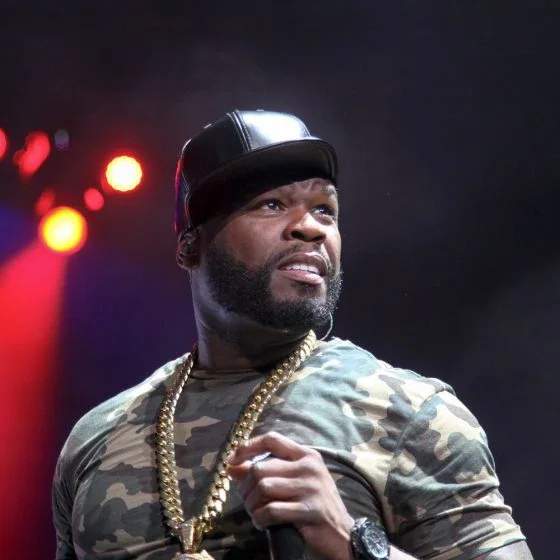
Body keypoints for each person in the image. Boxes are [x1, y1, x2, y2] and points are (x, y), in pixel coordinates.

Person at [52, 109, 533, 560]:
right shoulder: (96, 439)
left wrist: (354, 542)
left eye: (325, 210)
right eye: (272, 204)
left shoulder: (410, 413)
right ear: (190, 246)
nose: (310, 228)